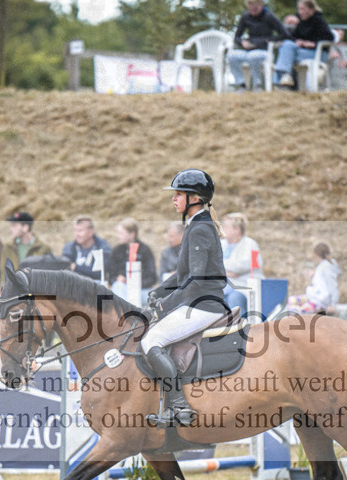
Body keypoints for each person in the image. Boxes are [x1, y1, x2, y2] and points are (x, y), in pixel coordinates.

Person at [142, 169, 228, 429]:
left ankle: (179, 406)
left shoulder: (200, 229)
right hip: (198, 303)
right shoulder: (196, 226)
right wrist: (159, 291)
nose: (174, 199)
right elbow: (182, 275)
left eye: (179, 194)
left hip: (205, 305)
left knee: (151, 340)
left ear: (195, 198)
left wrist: (166, 304)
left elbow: (198, 279)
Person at [227, 0, 290, 92]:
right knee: (231, 56)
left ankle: (257, 85)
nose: (252, 10)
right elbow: (237, 37)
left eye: (255, 8)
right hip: (248, 50)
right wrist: (242, 42)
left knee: (253, 56)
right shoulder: (245, 16)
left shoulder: (269, 16)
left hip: (264, 51)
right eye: (250, 7)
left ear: (261, 5)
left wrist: (269, 41)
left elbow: (284, 34)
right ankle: (241, 85)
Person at [272, 0, 334, 89]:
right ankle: (285, 77)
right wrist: (297, 41)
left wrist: (313, 44)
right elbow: (293, 37)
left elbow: (329, 38)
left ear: (311, 9)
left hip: (317, 54)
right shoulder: (301, 21)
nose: (300, 12)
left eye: (302, 9)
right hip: (302, 52)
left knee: (286, 49)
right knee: (286, 45)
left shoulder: (319, 21)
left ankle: (279, 82)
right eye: (299, 9)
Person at [221, 212, 263, 316]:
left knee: (234, 299)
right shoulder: (221, 244)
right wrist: (227, 272)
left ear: (237, 229)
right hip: (222, 288)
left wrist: (221, 268)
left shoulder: (251, 244)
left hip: (243, 287)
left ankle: (240, 330)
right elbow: (210, 264)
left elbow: (243, 265)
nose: (222, 229)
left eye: (226, 226)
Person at [109, 217, 158, 302]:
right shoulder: (116, 251)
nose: (118, 236)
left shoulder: (145, 250)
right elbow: (111, 276)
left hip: (141, 290)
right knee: (117, 286)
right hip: (122, 289)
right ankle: (124, 313)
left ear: (132, 234)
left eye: (121, 233)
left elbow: (152, 277)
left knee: (133, 295)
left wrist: (133, 283)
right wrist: (119, 279)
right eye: (117, 233)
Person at [287, 243, 340, 313]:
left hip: (320, 302)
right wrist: (313, 276)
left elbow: (332, 286)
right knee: (291, 300)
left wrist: (333, 305)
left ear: (315, 255)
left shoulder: (327, 267)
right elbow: (321, 282)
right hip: (314, 298)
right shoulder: (322, 266)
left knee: (295, 312)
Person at [61, 215, 111, 282]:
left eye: (80, 231)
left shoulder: (103, 248)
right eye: (75, 230)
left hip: (96, 285)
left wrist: (77, 268)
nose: (77, 234)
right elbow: (64, 269)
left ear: (91, 232)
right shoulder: (69, 247)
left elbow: (100, 272)